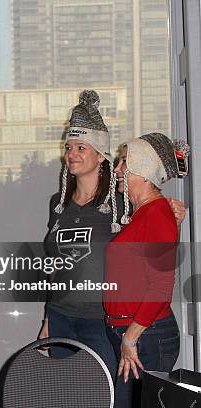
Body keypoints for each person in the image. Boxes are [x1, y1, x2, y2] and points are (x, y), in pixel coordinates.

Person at [39, 91, 185, 403]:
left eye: (81, 147)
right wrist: (48, 320)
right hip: (63, 317)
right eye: (68, 147)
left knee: (107, 398)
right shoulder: (58, 204)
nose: (72, 153)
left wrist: (174, 217)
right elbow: (57, 265)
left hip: (101, 320)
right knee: (70, 398)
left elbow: (155, 263)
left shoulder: (123, 202)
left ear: (100, 154)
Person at [104, 133, 187, 407]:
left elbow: (161, 289)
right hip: (133, 332)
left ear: (144, 169)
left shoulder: (158, 214)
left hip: (145, 335)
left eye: (124, 162)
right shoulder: (144, 213)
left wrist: (130, 338)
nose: (116, 169)